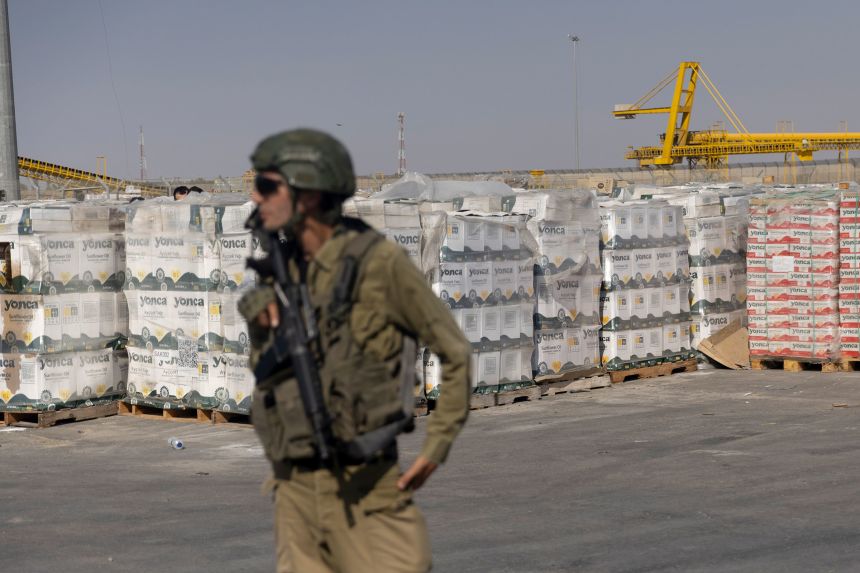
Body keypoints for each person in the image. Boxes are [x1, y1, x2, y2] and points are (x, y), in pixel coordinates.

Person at [238, 128, 471, 573]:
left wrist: (434, 449)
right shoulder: (282, 271)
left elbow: (454, 351)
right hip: (295, 493)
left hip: (369, 488)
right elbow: (268, 373)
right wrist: (261, 328)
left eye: (267, 186)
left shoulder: (378, 265)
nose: (255, 195)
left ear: (307, 195)